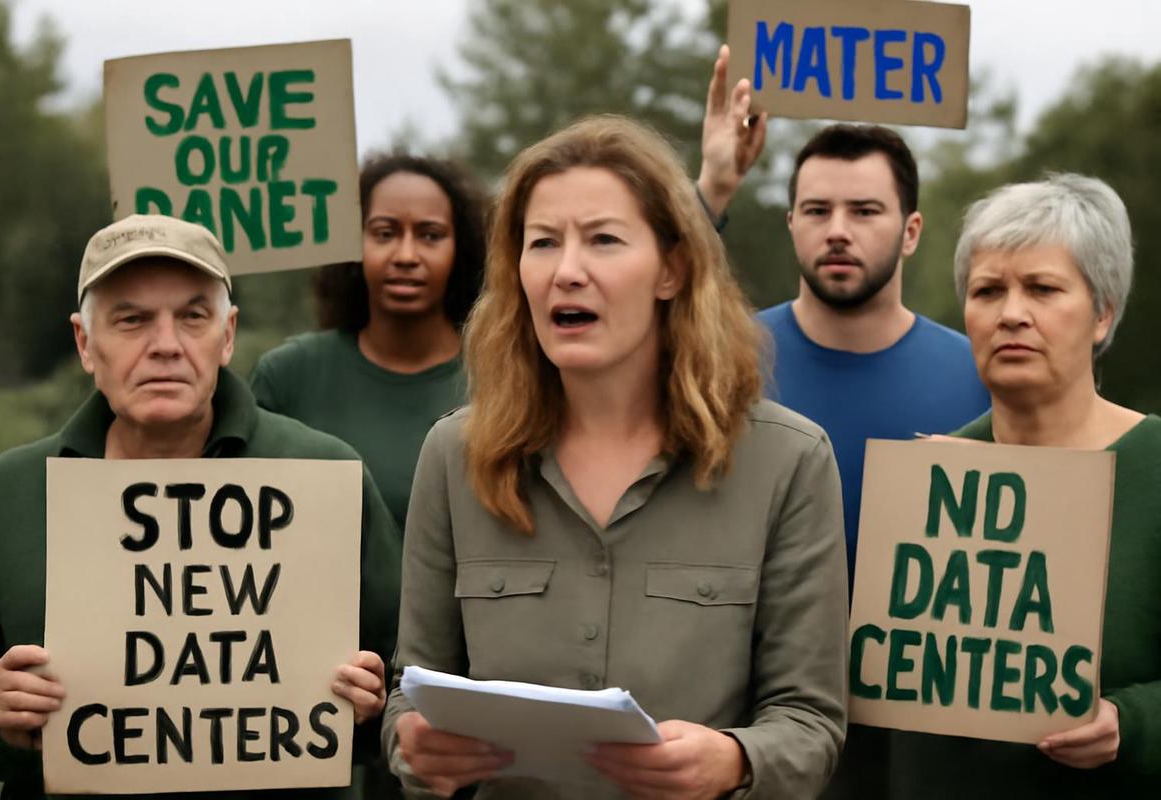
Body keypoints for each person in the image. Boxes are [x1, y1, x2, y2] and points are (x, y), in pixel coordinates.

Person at [380, 115, 849, 800]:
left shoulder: (789, 460)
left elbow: (810, 722)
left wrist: (734, 761)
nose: (567, 272)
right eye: (543, 243)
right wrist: (415, 748)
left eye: (602, 240)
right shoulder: (454, 455)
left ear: (672, 268)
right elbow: (409, 699)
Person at [0, 215, 402, 799]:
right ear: (85, 343)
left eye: (192, 317)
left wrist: (369, 711)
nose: (166, 345)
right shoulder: (4, 494)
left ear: (227, 336)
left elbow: (410, 685)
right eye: (132, 320)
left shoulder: (326, 474)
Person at [694, 45, 991, 799]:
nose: (838, 230)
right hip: (746, 727)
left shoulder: (983, 378)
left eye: (864, 211)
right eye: (818, 210)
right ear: (790, 222)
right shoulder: (719, 366)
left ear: (912, 230)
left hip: (924, 741)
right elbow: (642, 301)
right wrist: (712, 188)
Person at [889, 173, 1160, 798]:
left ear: (1102, 314)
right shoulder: (929, 478)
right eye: (988, 291)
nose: (1012, 314)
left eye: (1042, 288)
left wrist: (1132, 723)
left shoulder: (1155, 464)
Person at [251, 153, 486, 529]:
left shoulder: (503, 375)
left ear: (462, 250)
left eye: (430, 235)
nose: (406, 255)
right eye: (384, 233)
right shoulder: (288, 375)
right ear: (352, 245)